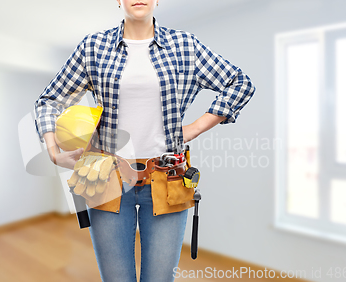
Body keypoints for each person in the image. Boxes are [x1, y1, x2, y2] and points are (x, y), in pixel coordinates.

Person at [34, 0, 256, 281]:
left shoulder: (185, 45)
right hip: (106, 179)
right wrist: (53, 151)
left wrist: (196, 127)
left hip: (168, 178)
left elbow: (240, 83)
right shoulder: (93, 47)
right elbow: (49, 100)